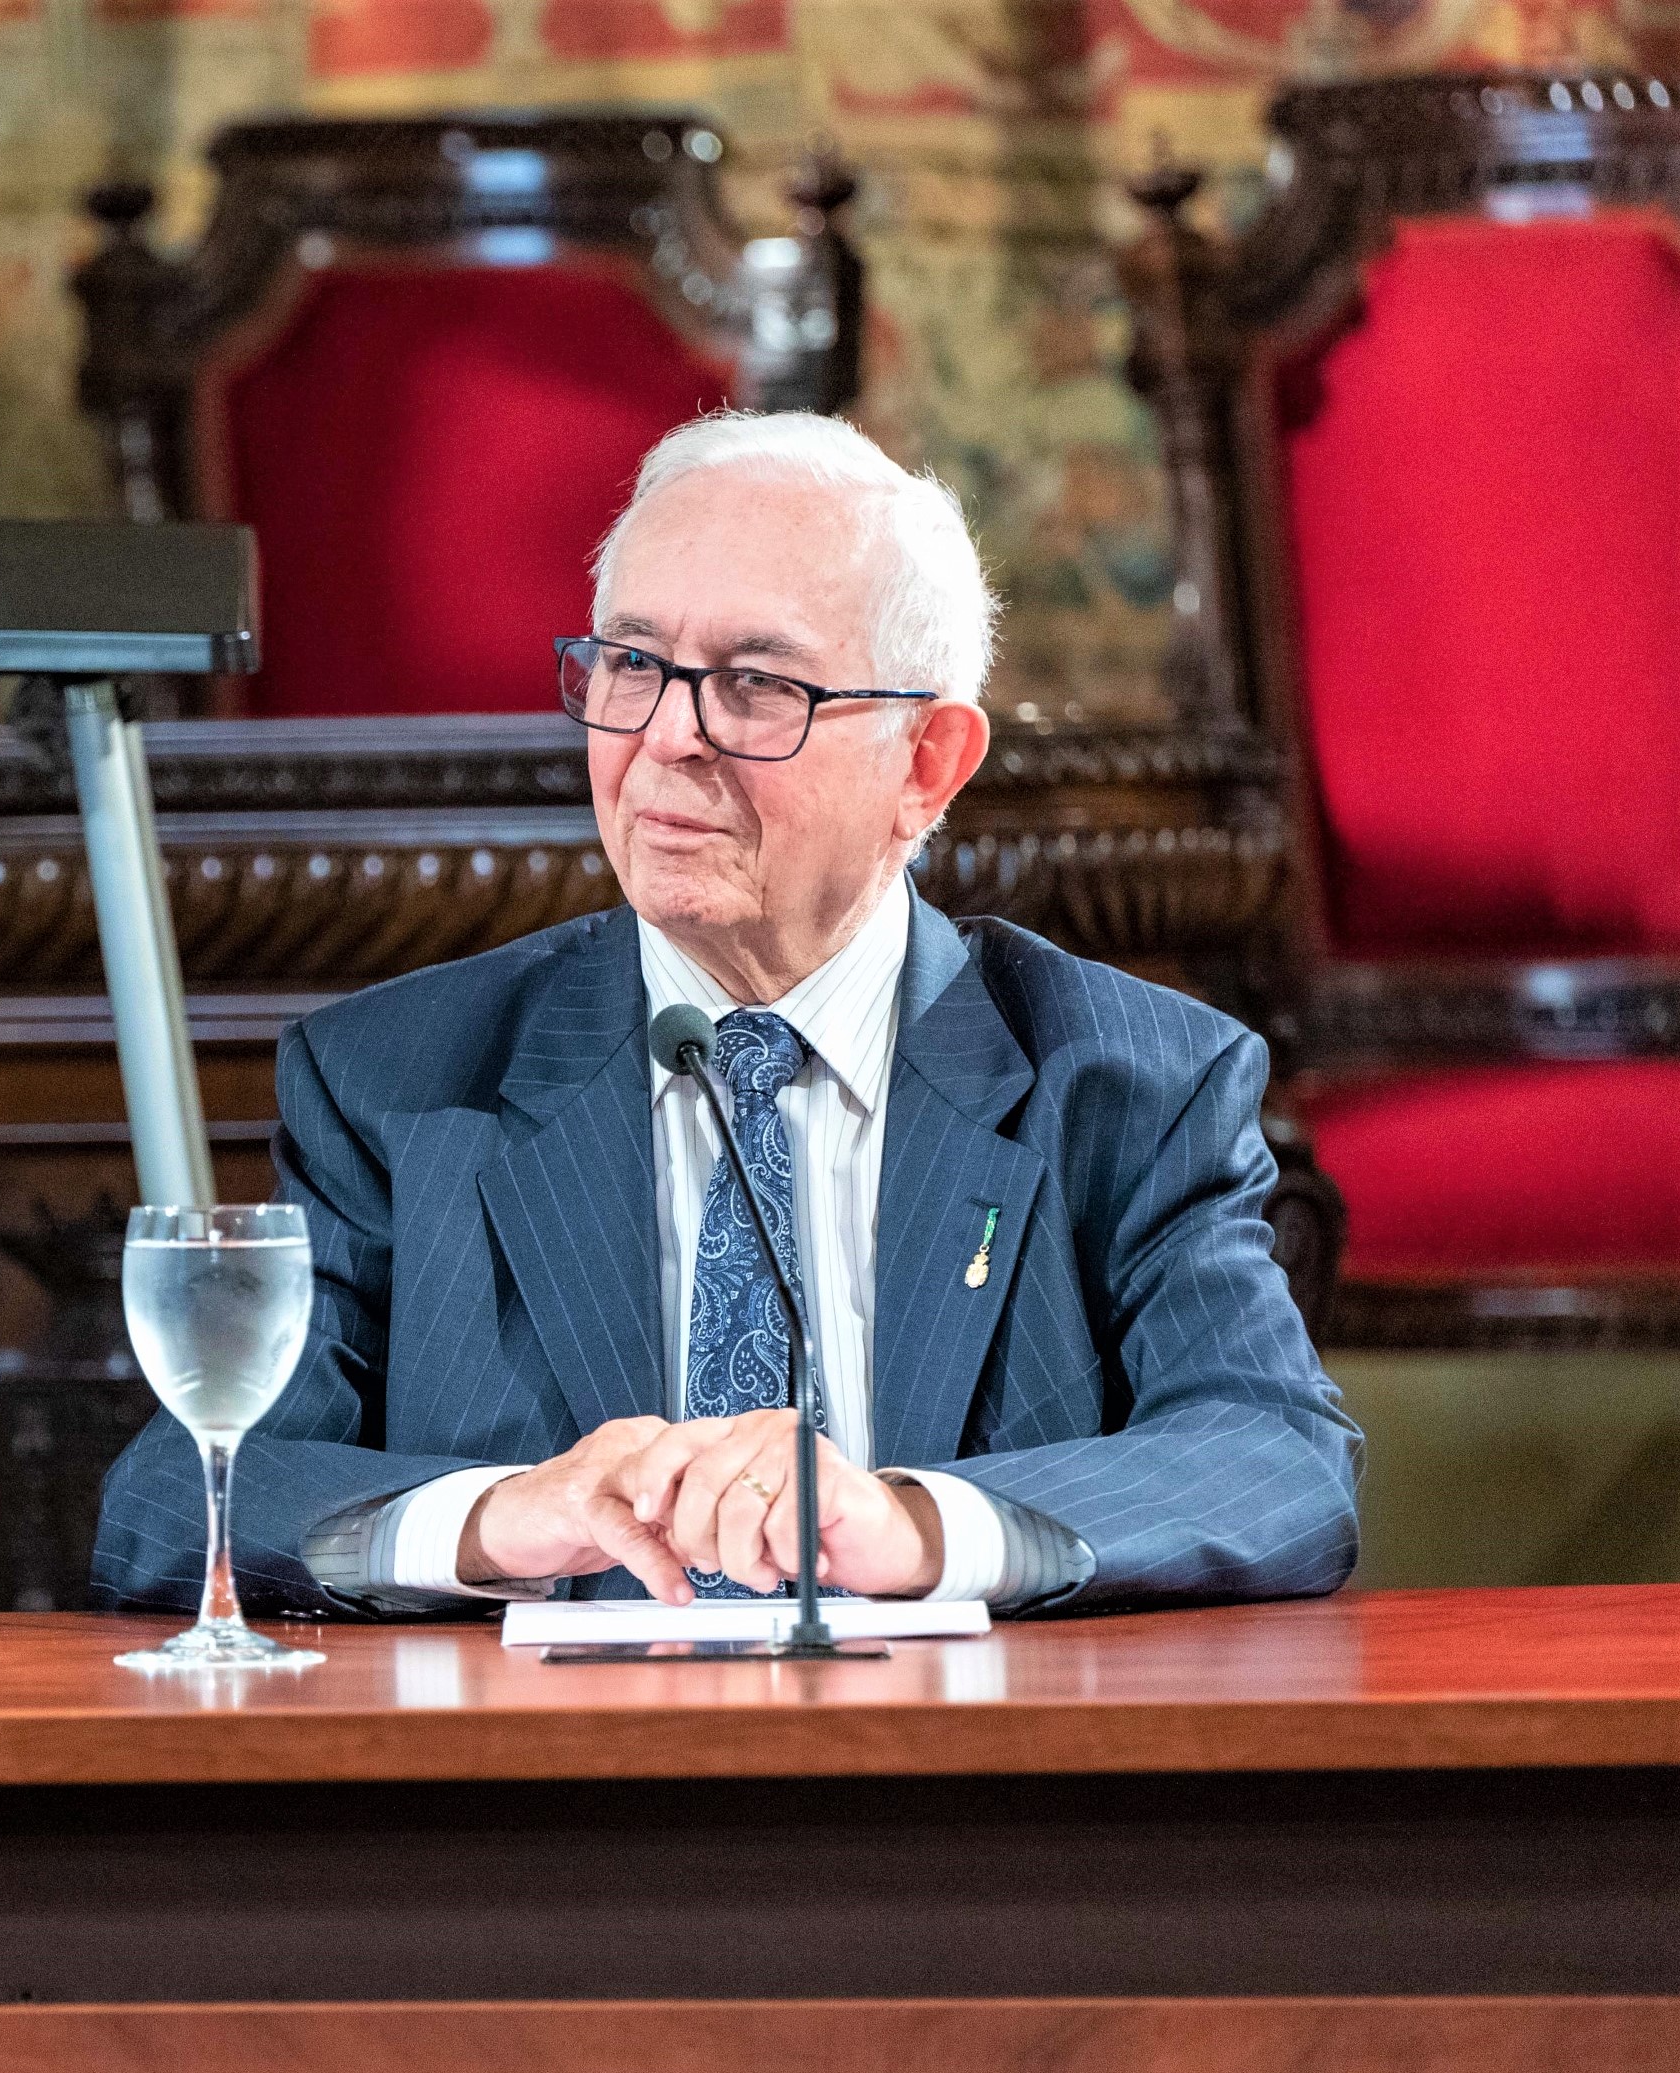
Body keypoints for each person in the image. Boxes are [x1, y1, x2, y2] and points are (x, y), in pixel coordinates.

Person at [94, 411, 1360, 1618]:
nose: (664, 739)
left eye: (754, 686)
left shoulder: (1129, 1083)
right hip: (540, 1804)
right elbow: (173, 1500)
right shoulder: (401, 1084)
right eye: (632, 665)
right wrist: (493, 1519)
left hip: (960, 1801)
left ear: (927, 764)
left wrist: (920, 1527)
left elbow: (1270, 1459)